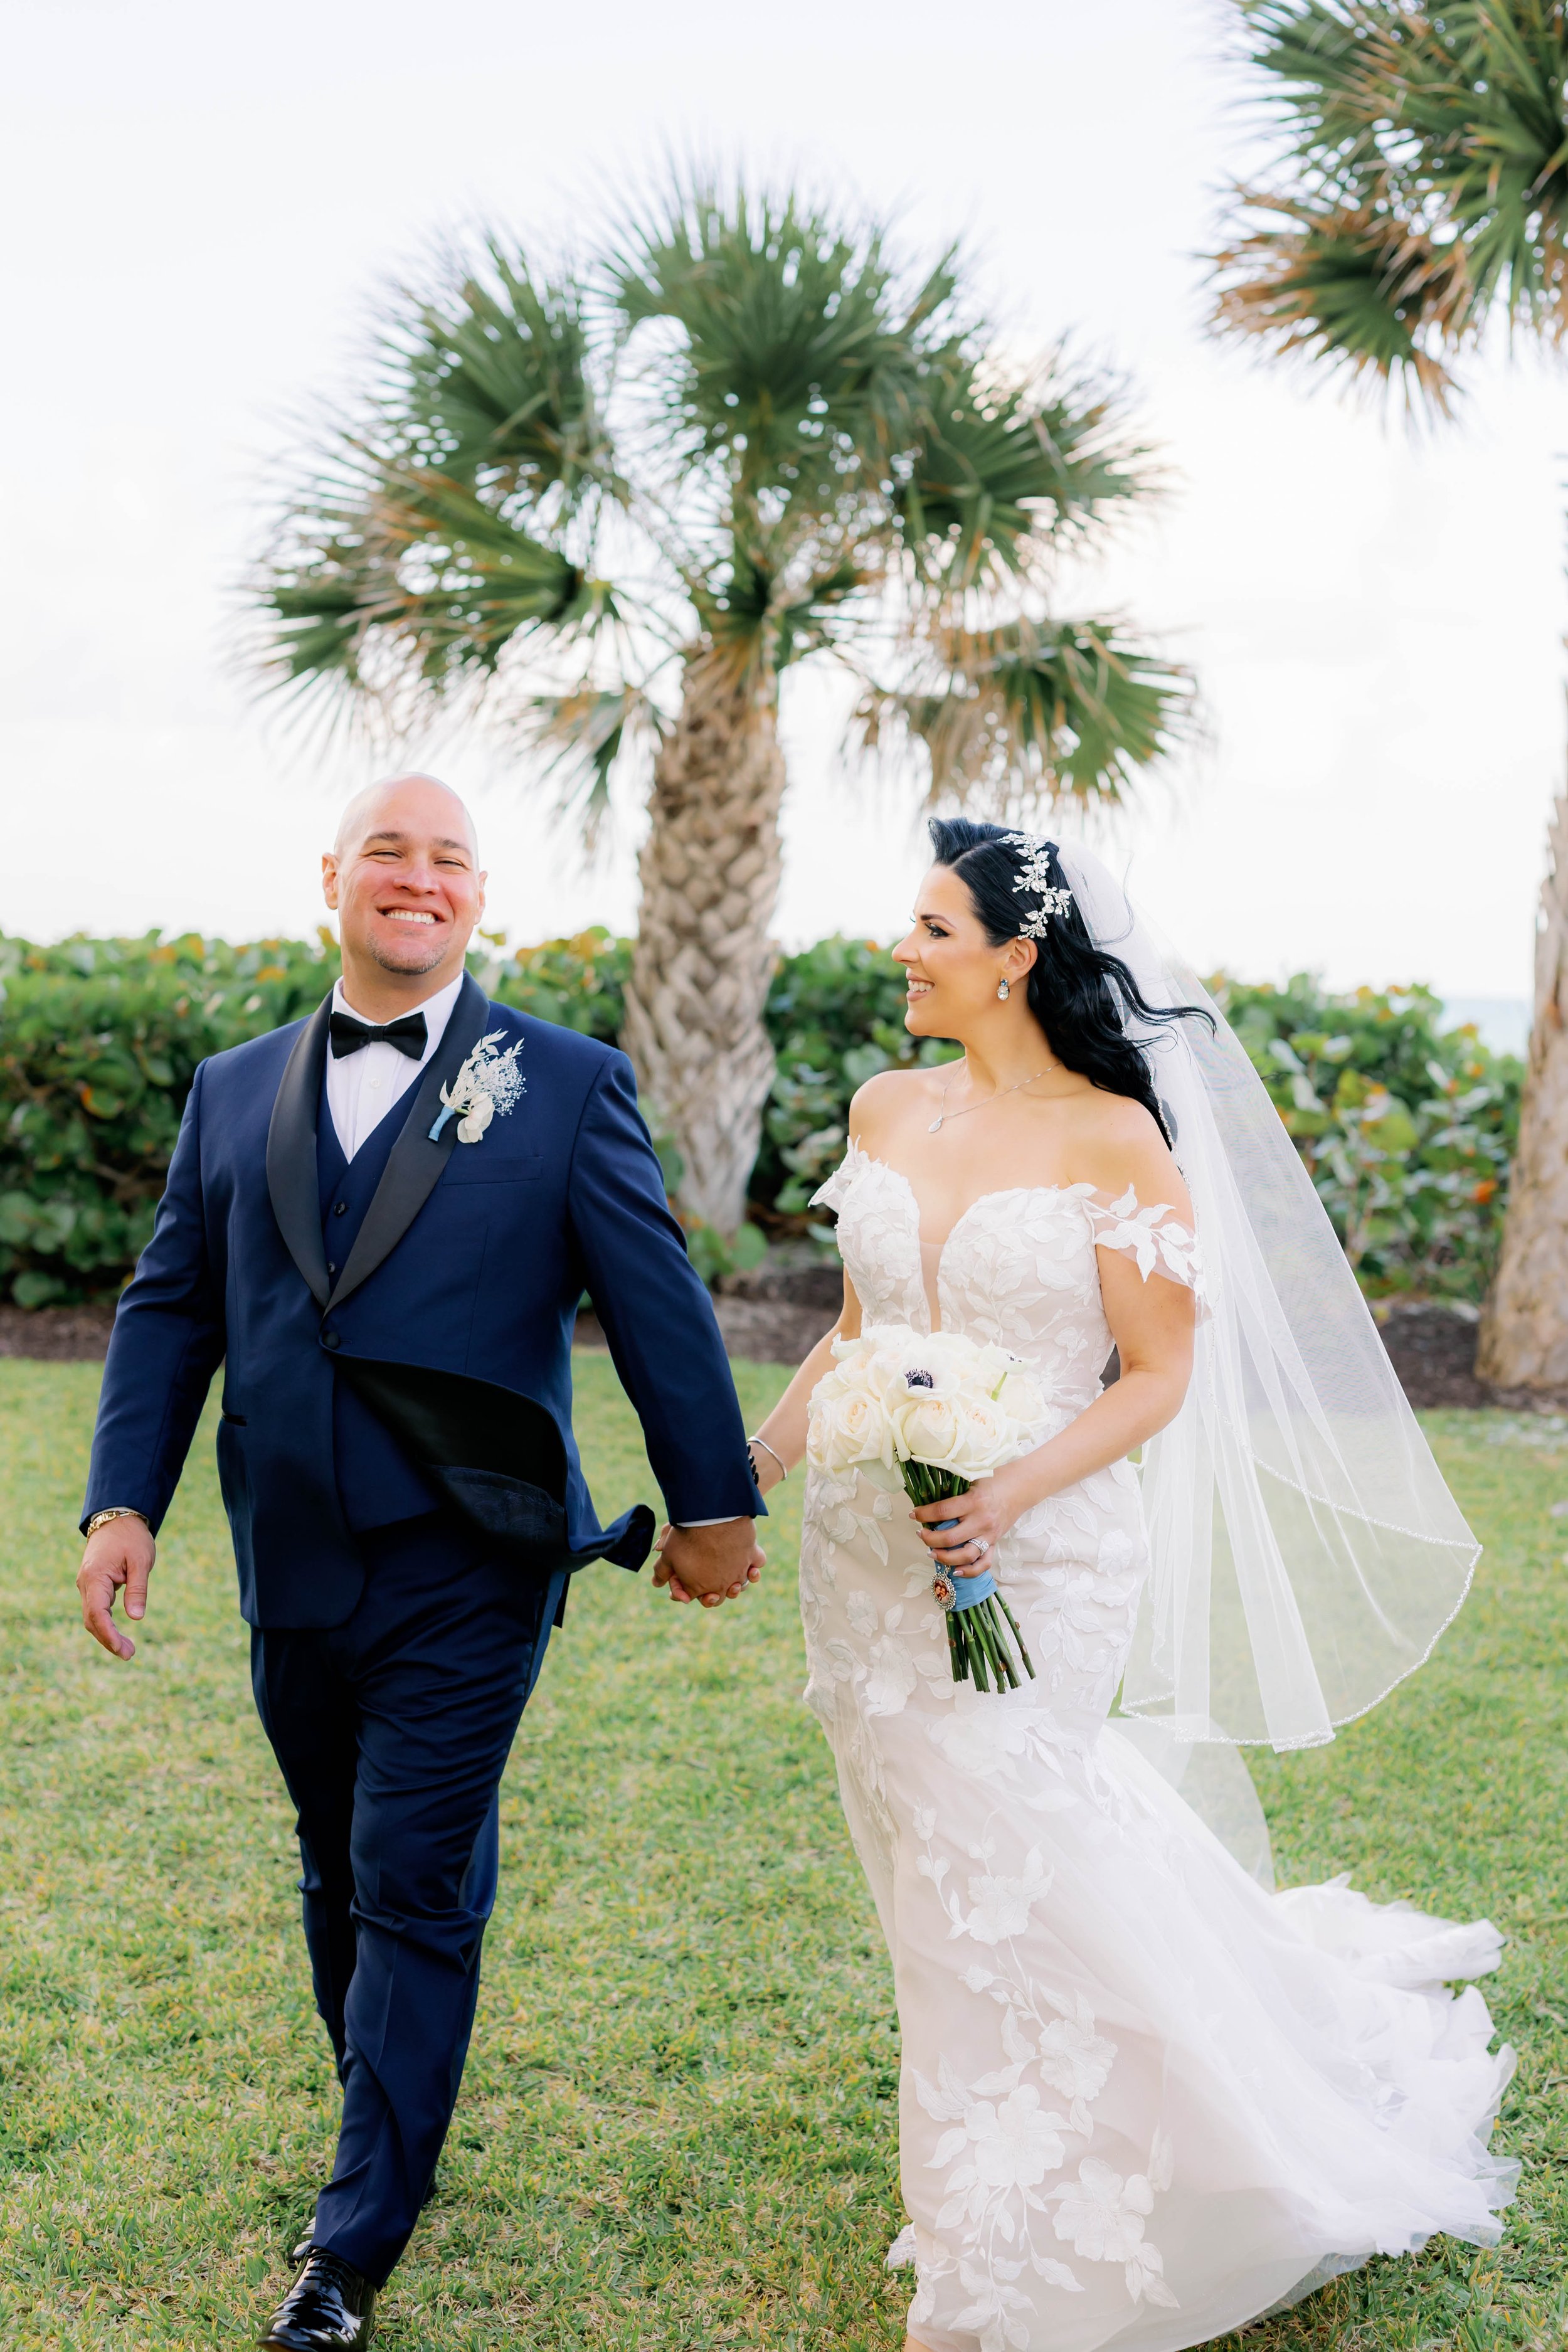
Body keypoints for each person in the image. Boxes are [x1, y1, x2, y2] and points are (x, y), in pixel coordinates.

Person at [745, 818, 1516, 2352]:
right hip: (872, 1564)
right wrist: (737, 1482)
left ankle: (1058, 2221)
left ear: (1015, 958)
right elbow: (854, 1326)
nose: (901, 951)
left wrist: (1004, 1489)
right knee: (926, 1874)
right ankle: (982, 2177)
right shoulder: (885, 1107)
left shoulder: (1115, 1138)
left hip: (1040, 1548)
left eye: (931, 929)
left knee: (1010, 1855)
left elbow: (1156, 1374)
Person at [76, 774, 763, 2351]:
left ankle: (351, 2243)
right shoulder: (232, 1085)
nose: (420, 877)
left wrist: (712, 1504)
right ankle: (388, 2103)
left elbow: (654, 1303)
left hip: (477, 1553)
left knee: (409, 1876)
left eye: (450, 858)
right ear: (333, 878)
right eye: (389, 850)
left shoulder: (567, 1083)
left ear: (478, 897)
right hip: (292, 1555)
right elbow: (171, 1304)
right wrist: (126, 1503)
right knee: (337, 1862)